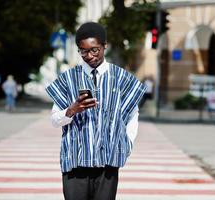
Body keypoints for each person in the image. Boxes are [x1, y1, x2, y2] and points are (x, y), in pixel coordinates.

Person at [45, 22, 146, 200]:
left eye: (94, 50)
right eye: (83, 51)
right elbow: (54, 120)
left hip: (108, 164)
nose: (89, 56)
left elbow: (133, 115)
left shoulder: (121, 78)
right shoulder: (68, 78)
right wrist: (71, 110)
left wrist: (127, 143)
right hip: (75, 164)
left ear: (104, 46)